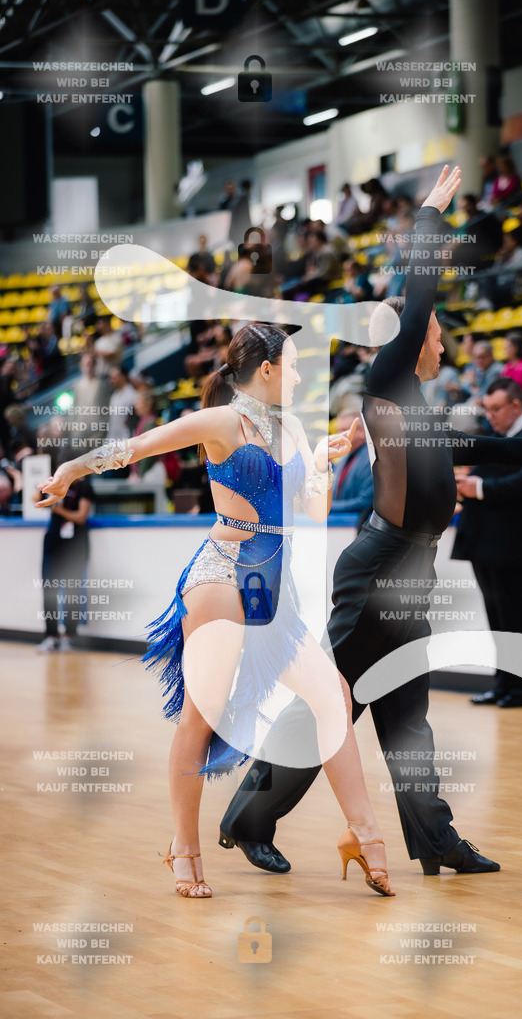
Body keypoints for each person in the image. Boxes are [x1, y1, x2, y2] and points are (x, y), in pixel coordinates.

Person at [218, 163, 522, 876]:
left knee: (407, 719)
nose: (445, 342)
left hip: (409, 573)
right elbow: (419, 294)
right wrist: (426, 217)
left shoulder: (419, 407)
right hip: (379, 570)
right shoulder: (389, 378)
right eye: (437, 333)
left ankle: (435, 840)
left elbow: (500, 445)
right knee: (334, 706)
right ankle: (250, 816)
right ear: (409, 335)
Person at [37, 324, 395, 899]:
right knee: (201, 718)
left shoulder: (295, 427)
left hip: (275, 585)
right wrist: (71, 470)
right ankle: (184, 847)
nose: (302, 376)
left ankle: (365, 835)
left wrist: (329, 457)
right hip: (222, 574)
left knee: (334, 695)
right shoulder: (225, 421)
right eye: (295, 365)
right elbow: (139, 446)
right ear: (268, 367)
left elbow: (313, 507)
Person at [454, 378, 522, 708]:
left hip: (521, 548)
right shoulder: (498, 440)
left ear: (516, 405)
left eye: (496, 409)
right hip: (490, 545)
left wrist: (480, 488)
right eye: (486, 409)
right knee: (498, 620)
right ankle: (503, 686)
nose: (490, 416)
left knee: (519, 619)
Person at [35, 460, 95, 653]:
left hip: (74, 546)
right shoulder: (56, 485)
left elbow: (81, 516)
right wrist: (44, 488)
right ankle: (51, 636)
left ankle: (69, 636)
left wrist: (59, 510)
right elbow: (34, 498)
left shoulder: (84, 487)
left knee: (72, 592)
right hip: (53, 544)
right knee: (49, 590)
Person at [329, 407, 373, 524]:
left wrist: (328, 507)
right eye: (338, 431)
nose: (339, 435)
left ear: (362, 432)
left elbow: (365, 502)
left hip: (358, 526)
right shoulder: (343, 459)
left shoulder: (372, 460)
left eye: (344, 430)